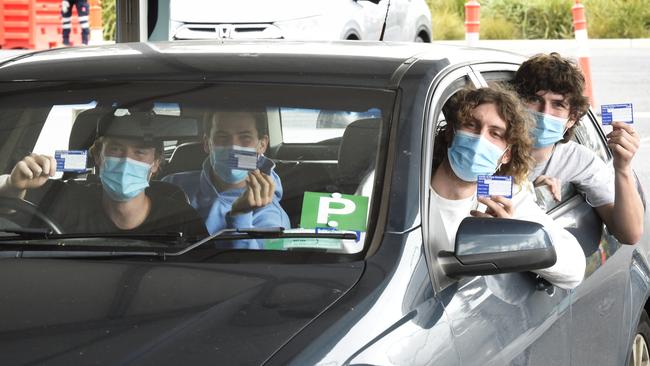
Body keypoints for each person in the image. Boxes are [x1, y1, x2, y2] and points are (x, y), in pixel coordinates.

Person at [430, 86, 585, 289]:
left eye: (495, 134)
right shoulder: (403, 184)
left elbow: (574, 269)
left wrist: (512, 239)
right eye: (471, 125)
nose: (479, 139)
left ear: (506, 155)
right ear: (451, 132)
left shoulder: (501, 197)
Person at [0, 114, 207, 237]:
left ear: (155, 164)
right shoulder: (66, 199)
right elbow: (9, 208)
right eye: (116, 149)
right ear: (98, 157)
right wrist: (13, 184)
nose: (126, 160)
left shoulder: (181, 218)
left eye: (140, 152)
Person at [513, 53, 644, 244]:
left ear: (571, 119)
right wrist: (528, 189)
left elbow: (630, 234)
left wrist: (622, 167)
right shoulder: (490, 151)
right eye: (534, 100)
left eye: (557, 104)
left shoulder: (578, 160)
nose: (544, 113)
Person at [163, 108, 290, 239]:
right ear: (207, 143)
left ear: (262, 145)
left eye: (245, 138)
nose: (233, 146)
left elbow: (249, 259)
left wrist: (240, 216)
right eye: (222, 137)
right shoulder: (172, 185)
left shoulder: (273, 217)